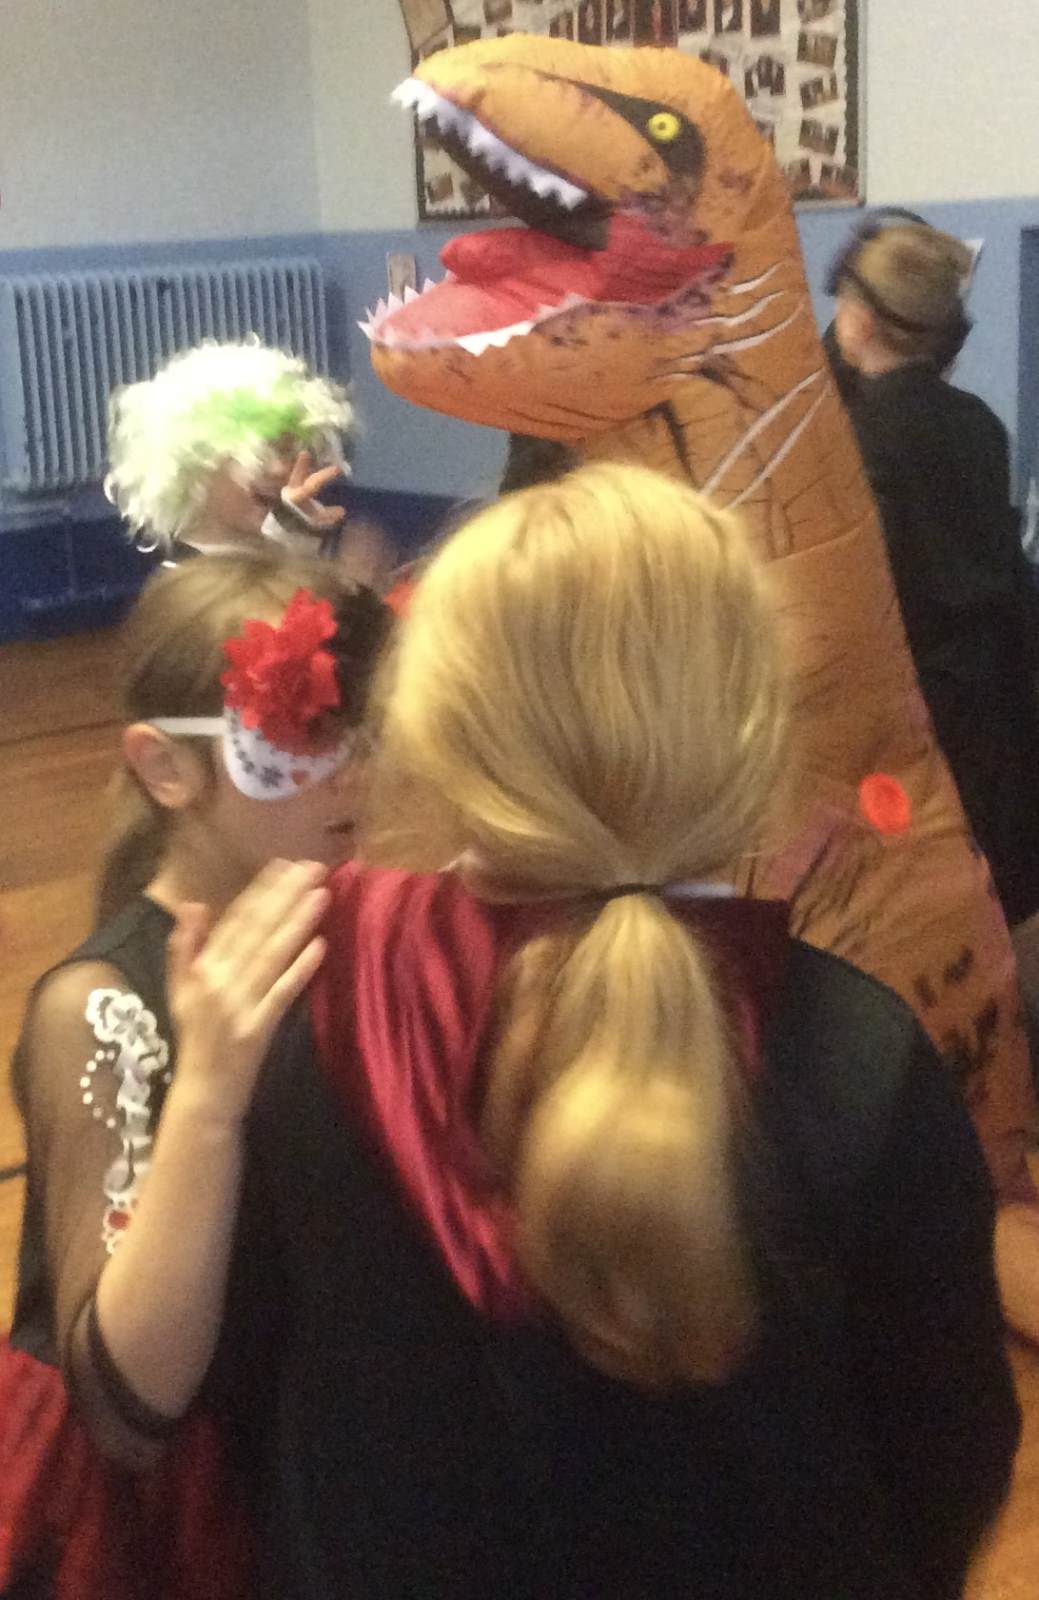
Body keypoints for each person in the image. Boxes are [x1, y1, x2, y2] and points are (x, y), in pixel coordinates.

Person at [222, 463, 1018, 1599]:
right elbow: (950, 1458)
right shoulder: (866, 1064)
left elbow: (245, 1396)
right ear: (751, 727)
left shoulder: (306, 1004)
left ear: (439, 729)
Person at [0, 551, 392, 1599]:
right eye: (299, 732)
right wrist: (208, 1096)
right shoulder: (98, 1012)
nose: (350, 773)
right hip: (181, 1526)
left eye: (364, 731)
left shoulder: (366, 938)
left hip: (324, 1467)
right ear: (167, 769)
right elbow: (129, 1406)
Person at [826, 214, 1039, 928]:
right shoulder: (978, 424)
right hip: (992, 715)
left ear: (859, 318)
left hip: (907, 724)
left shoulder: (853, 440)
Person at [104, 340, 355, 566]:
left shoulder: (273, 552)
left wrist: (298, 541)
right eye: (258, 454)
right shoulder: (187, 586)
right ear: (195, 462)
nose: (279, 468)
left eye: (288, 450)